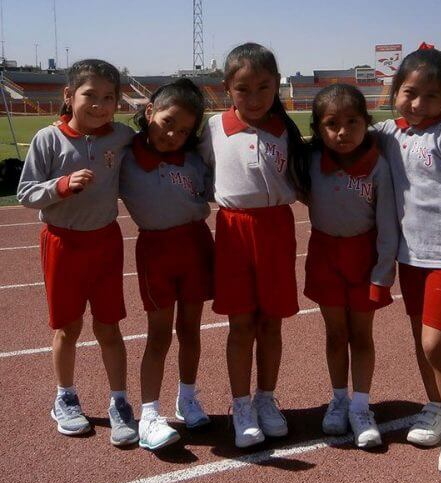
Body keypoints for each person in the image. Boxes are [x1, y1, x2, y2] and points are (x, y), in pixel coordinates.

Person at [374, 47, 441, 475]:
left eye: (431, 97)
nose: (418, 105)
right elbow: (345, 132)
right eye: (409, 93)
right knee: (422, 340)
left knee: (437, 344)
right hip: (409, 257)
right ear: (395, 91)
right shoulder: (389, 132)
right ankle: (436, 406)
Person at [17, 59, 138, 446]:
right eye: (91, 95)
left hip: (105, 242)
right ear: (69, 96)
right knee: (68, 327)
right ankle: (65, 397)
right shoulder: (47, 139)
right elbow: (26, 192)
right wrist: (62, 185)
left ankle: (119, 401)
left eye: (109, 97)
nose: (100, 105)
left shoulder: (121, 136)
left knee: (109, 326)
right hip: (62, 243)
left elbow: (151, 145)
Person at [199, 42, 308, 448]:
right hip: (233, 232)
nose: (255, 97)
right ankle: (241, 404)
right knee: (241, 323)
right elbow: (198, 170)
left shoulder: (287, 131)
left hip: (276, 230)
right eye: (244, 89)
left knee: (271, 321)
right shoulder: (213, 128)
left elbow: (304, 182)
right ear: (227, 87)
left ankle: (266, 398)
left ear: (277, 84)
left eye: (264, 87)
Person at [120, 79, 214, 450]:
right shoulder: (127, 155)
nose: (174, 134)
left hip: (195, 244)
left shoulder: (194, 158)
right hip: (156, 250)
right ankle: (149, 414)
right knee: (158, 334)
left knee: (191, 329)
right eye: (168, 122)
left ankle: (187, 397)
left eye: (184, 129)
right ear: (149, 113)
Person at [304, 84, 398, 448]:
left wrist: (382, 272)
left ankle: (361, 406)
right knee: (334, 334)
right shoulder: (310, 162)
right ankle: (338, 398)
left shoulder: (378, 166)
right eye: (331, 124)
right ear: (317, 128)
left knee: (361, 335)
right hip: (324, 254)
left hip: (365, 257)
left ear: (367, 123)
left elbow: (388, 223)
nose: (342, 132)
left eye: (352, 122)